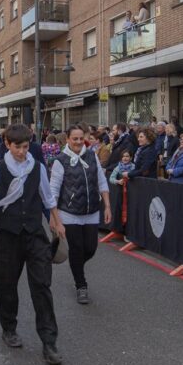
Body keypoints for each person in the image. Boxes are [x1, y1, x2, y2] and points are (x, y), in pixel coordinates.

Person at [0, 123, 65, 365]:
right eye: (17, 146)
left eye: (25, 146)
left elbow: (48, 197)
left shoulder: (37, 167)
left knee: (42, 286)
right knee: (7, 285)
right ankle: (9, 328)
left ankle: (49, 342)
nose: (21, 151)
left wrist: (57, 221)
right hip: (8, 236)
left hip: (35, 235)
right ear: (7, 144)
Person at [49, 125, 111, 304]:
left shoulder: (92, 156)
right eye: (74, 138)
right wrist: (54, 218)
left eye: (80, 138)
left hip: (91, 212)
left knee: (90, 248)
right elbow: (53, 191)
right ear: (67, 139)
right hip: (69, 213)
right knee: (76, 249)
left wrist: (107, 206)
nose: (78, 142)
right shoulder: (60, 160)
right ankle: (81, 285)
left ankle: (76, 265)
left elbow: (101, 181)